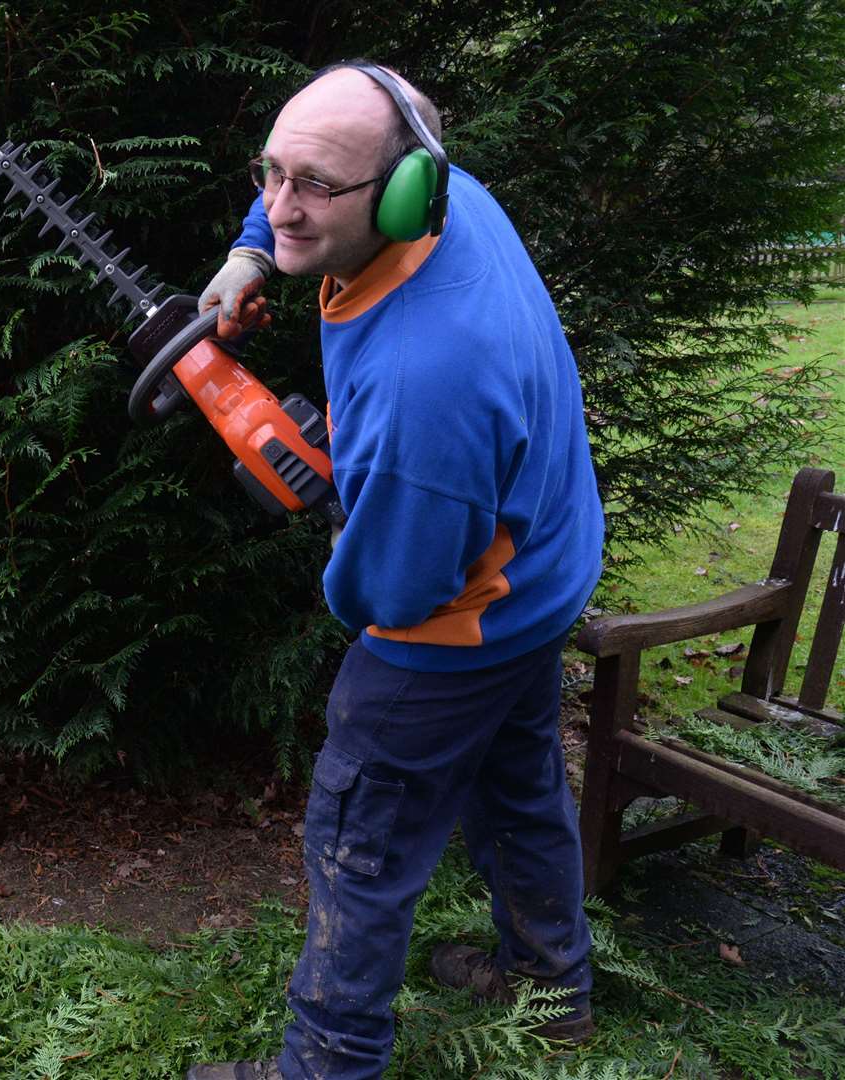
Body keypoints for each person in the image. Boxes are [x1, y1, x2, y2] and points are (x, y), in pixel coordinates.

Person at [184, 62, 605, 1080]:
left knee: (357, 839)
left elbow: (390, 593)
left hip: (457, 623)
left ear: (406, 186)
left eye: (312, 187)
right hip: (544, 573)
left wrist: (347, 537)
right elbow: (299, 190)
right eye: (268, 174)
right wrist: (251, 250)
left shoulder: (428, 376)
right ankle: (551, 989)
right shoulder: (449, 202)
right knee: (516, 787)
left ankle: (325, 1064)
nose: (283, 203)